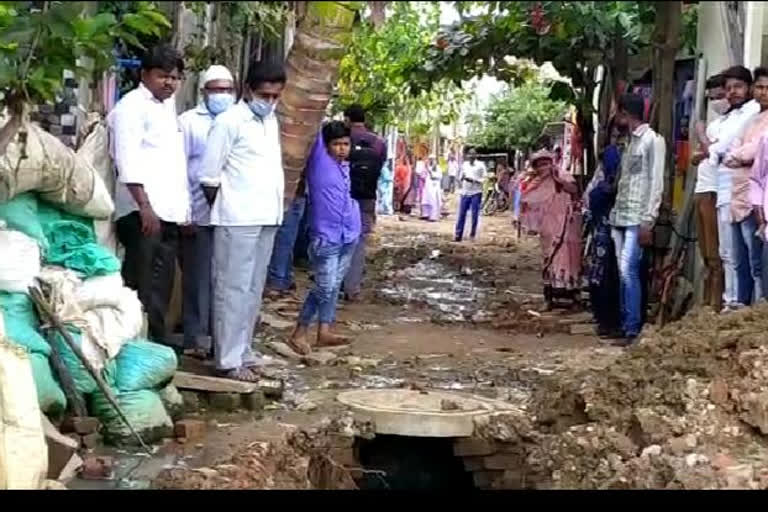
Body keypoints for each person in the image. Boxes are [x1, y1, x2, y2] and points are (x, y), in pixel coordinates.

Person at [198, 60, 287, 382]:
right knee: (231, 288)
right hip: (237, 218)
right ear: (248, 90)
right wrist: (229, 206)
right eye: (265, 95)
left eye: (276, 96)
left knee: (251, 289)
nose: (270, 101)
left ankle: (244, 349)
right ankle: (227, 359)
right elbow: (208, 176)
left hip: (266, 216)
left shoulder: (271, 120)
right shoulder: (229, 121)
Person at [109, 44, 189, 346]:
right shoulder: (131, 107)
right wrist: (144, 206)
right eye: (162, 76)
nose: (169, 83)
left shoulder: (166, 108)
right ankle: (135, 342)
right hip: (142, 212)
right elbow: (127, 159)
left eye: (174, 77)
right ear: (144, 75)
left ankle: (155, 339)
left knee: (162, 281)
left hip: (167, 211)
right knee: (141, 281)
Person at [177, 64, 235, 358]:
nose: (223, 95)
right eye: (217, 90)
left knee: (225, 279)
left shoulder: (239, 121)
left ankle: (220, 337)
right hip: (197, 213)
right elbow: (178, 169)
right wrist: (184, 212)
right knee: (197, 278)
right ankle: (195, 337)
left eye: (228, 90)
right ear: (204, 92)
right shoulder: (188, 122)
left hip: (229, 215)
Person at [287, 121, 360, 355]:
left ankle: (324, 331)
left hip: (348, 234)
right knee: (325, 286)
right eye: (336, 144)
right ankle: (300, 331)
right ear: (327, 145)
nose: (341, 148)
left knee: (333, 286)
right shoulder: (320, 163)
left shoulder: (345, 167)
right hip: (325, 236)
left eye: (346, 144)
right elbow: (315, 125)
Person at [610, 93, 666, 346]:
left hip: (637, 218)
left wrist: (648, 220)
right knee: (624, 273)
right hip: (620, 216)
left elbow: (656, 182)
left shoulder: (652, 141)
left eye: (617, 113)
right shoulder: (629, 143)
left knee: (628, 272)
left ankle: (632, 328)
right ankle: (625, 325)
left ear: (625, 114)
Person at [707, 65, 760, 311]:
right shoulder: (734, 116)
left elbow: (726, 147)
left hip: (748, 193)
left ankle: (750, 305)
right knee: (731, 253)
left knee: (751, 256)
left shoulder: (752, 112)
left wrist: (719, 151)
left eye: (738, 87)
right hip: (728, 189)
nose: (732, 93)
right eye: (728, 88)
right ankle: (735, 302)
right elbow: (722, 148)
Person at [722, 67, 768, 306]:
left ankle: (758, 313)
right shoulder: (750, 120)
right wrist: (738, 155)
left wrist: (737, 156)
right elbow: (732, 150)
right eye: (759, 87)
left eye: (767, 88)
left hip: (756, 204)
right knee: (738, 260)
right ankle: (741, 308)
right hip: (737, 197)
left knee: (756, 262)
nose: (763, 92)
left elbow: (755, 151)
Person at [520, 150, 583, 311]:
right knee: (549, 260)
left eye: (546, 163)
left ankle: (574, 299)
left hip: (566, 226)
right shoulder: (536, 182)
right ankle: (549, 299)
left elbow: (574, 190)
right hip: (548, 227)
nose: (543, 167)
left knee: (568, 260)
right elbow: (525, 200)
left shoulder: (563, 175)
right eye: (540, 165)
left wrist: (558, 180)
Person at [690, 74, 728, 311]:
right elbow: (696, 157)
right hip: (701, 188)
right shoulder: (715, 124)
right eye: (712, 97)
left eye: (719, 96)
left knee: (716, 254)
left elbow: (713, 152)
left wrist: (702, 137)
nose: (716, 101)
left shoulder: (734, 123)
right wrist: (705, 147)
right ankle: (705, 303)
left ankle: (715, 303)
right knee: (705, 251)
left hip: (715, 190)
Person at [343, 105, 387, 302]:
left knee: (338, 238)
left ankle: (335, 283)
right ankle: (353, 287)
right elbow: (380, 166)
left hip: (343, 194)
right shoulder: (379, 142)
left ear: (347, 119)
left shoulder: (342, 139)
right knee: (359, 240)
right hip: (367, 196)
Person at [585, 125, 622, 337]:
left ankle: (608, 320)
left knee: (609, 276)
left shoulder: (607, 184)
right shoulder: (604, 181)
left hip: (609, 232)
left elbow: (593, 200)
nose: (616, 141)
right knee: (605, 275)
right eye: (614, 136)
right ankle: (607, 320)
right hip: (603, 234)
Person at [454, 148, 486, 242]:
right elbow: (459, 177)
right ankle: (458, 234)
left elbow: (484, 178)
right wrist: (462, 178)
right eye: (470, 154)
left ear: (476, 155)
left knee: (474, 214)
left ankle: (472, 234)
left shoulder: (480, 165)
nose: (471, 156)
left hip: (476, 192)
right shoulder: (464, 165)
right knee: (461, 214)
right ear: (468, 155)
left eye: (473, 154)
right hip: (465, 192)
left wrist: (474, 180)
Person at [420, 154, 442, 222]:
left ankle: (433, 216)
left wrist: (429, 170)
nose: (431, 161)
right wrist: (425, 169)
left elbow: (436, 176)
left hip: (434, 186)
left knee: (433, 201)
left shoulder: (438, 168)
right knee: (425, 200)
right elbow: (422, 176)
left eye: (433, 159)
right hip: (427, 186)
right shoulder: (427, 167)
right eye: (430, 159)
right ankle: (425, 214)